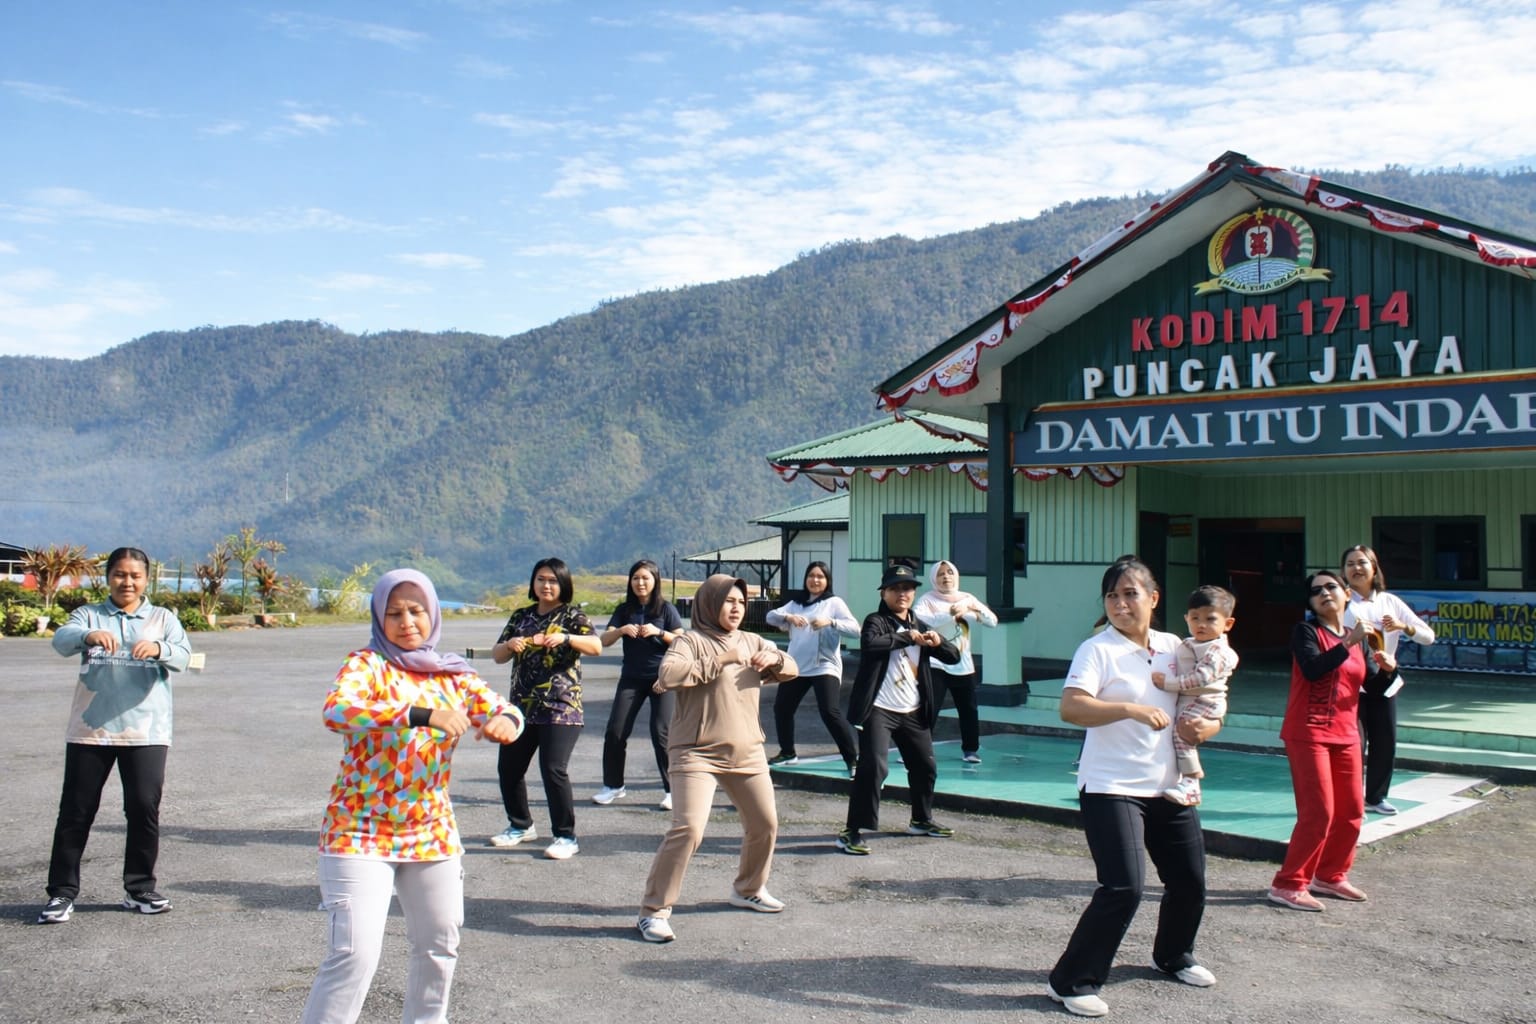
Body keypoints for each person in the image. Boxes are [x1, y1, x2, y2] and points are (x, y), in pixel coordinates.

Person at [301, 568, 523, 1024]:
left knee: (440, 943)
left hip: (429, 829)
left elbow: (501, 706)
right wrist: (421, 714)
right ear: (379, 617)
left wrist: (507, 722)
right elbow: (337, 710)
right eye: (394, 612)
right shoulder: (366, 664)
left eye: (416, 611)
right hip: (359, 830)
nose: (407, 622)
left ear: (433, 613)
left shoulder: (452, 673)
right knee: (354, 954)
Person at [1046, 556, 1221, 1018]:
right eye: (1112, 595)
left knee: (1189, 880)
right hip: (1111, 784)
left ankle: (1173, 955)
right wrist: (1130, 709)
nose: (1121, 604)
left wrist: (1212, 726)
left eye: (1130, 594)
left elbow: (1208, 695)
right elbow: (1072, 708)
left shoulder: (1176, 646)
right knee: (1124, 887)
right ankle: (1071, 981)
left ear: (1153, 598)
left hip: (1169, 784)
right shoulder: (1096, 649)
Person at [637, 574, 799, 943]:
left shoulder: (753, 639)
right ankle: (653, 911)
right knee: (689, 828)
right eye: (728, 601)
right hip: (695, 752)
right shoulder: (691, 640)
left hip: (747, 750)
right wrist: (722, 658)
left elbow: (792, 668)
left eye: (741, 601)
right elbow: (670, 673)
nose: (737, 608)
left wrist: (773, 657)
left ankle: (748, 888)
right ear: (710, 604)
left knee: (765, 823)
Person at [38, 546, 192, 925]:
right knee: (75, 811)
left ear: (146, 580)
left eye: (135, 576)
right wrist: (89, 635)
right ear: (108, 577)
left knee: (143, 809)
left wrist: (159, 648)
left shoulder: (161, 617)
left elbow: (185, 656)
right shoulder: (89, 614)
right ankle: (61, 893)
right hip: (91, 731)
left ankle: (139, 889)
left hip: (146, 731)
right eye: (120, 574)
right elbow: (62, 640)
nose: (128, 582)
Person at [1268, 569, 1393, 913]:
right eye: (1315, 591)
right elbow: (1312, 668)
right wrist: (1349, 642)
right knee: (1319, 811)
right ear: (1310, 602)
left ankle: (1330, 875)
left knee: (1352, 811)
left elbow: (1374, 689)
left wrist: (1388, 669)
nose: (1324, 593)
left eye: (1331, 587)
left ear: (1347, 595)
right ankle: (1288, 884)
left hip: (1347, 734)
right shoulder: (1306, 631)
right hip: (1308, 732)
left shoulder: (1359, 640)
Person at [836, 563, 961, 856]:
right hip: (879, 709)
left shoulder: (920, 623)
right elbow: (871, 644)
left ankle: (921, 819)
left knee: (925, 766)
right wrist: (908, 637)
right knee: (873, 767)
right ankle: (851, 831)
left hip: (913, 710)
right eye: (895, 589)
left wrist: (938, 641)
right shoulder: (876, 620)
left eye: (907, 589)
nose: (902, 594)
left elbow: (953, 657)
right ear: (885, 593)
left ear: (914, 593)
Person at [487, 557, 602, 860]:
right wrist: (511, 645)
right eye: (540, 579)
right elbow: (497, 655)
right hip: (522, 708)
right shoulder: (521, 616)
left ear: (563, 584)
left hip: (561, 707)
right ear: (533, 583)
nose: (546, 585)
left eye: (552, 580)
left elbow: (596, 646)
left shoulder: (572, 615)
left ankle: (565, 835)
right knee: (509, 768)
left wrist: (566, 637)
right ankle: (520, 825)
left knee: (553, 769)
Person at [1341, 544, 1435, 815]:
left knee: (1385, 742)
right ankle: (1350, 799)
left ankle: (1376, 797)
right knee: (1354, 745)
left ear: (1374, 567)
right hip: (1351, 684)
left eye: (1362, 562)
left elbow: (1428, 637)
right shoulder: (1342, 601)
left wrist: (1403, 627)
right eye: (1350, 564)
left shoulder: (1390, 602)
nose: (1356, 568)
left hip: (1384, 680)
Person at [595, 559, 684, 810]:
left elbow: (682, 640)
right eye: (636, 578)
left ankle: (672, 790)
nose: (640, 582)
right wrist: (622, 629)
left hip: (662, 678)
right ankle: (613, 785)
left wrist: (658, 633)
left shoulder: (666, 609)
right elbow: (604, 640)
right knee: (616, 730)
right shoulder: (624, 610)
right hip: (631, 679)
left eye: (645, 578)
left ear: (655, 581)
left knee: (661, 733)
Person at [764, 561, 860, 774]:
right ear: (805, 579)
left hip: (824, 666)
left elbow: (856, 630)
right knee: (782, 708)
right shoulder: (795, 604)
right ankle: (788, 752)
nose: (815, 580)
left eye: (820, 576)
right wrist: (787, 617)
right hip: (796, 666)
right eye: (811, 576)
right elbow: (769, 617)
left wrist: (831, 623)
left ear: (827, 581)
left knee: (830, 712)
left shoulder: (834, 603)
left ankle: (853, 759)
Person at [1150, 585, 1239, 806]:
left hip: (1205, 702)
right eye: (1195, 617)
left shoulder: (1218, 652)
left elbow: (1200, 678)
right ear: (1186, 618)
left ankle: (1191, 783)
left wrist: (1168, 683)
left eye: (1210, 619)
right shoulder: (1189, 643)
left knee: (1183, 733)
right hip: (1194, 700)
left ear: (1227, 624)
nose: (1201, 624)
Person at [913, 558, 999, 764]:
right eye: (941, 574)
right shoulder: (927, 599)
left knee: (968, 709)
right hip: (936, 662)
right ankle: (918, 749)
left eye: (949, 573)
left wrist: (970, 611)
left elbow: (992, 621)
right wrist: (952, 613)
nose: (946, 577)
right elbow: (922, 619)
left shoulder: (967, 598)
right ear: (934, 578)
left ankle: (970, 749)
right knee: (928, 707)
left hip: (963, 664)